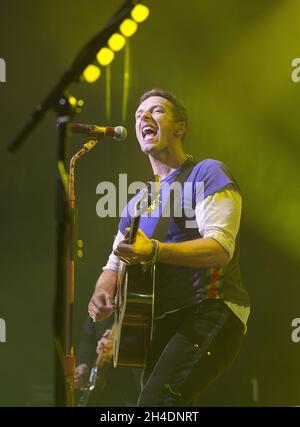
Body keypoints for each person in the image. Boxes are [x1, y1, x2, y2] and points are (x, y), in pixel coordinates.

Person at [88, 88, 250, 406]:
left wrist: (155, 250)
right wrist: (104, 286)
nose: (144, 117)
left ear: (180, 127)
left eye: (156, 111)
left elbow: (219, 248)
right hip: (157, 324)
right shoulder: (138, 201)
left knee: (156, 404)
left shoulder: (207, 173)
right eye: (138, 115)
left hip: (210, 310)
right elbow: (115, 261)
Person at [74, 316, 141, 406]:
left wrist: (121, 341)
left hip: (135, 386)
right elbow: (88, 336)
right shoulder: (101, 303)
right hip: (105, 387)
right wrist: (83, 363)